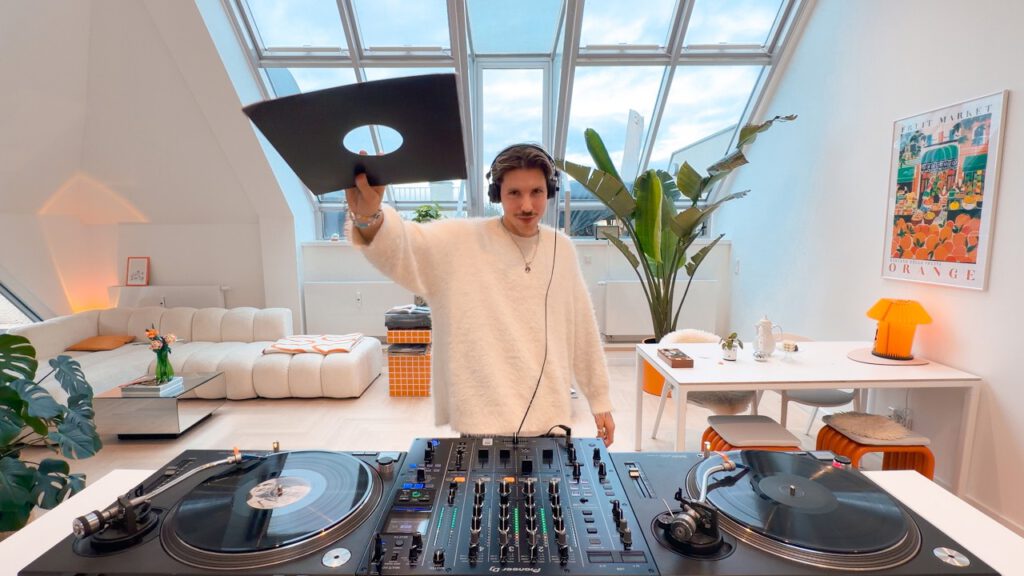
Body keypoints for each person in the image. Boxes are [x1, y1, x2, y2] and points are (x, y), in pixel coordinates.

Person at [346, 144, 616, 446]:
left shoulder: (561, 249)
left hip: (548, 415)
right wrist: (369, 217)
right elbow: (405, 247)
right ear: (497, 193)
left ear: (549, 191)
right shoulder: (463, 240)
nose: (527, 205)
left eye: (537, 192)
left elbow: (583, 329)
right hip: (483, 417)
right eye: (514, 193)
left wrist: (600, 400)